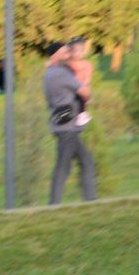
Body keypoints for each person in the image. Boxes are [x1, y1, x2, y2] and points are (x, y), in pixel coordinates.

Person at [43, 43, 96, 205]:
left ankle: (90, 200)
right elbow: (85, 93)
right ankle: (54, 204)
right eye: (64, 51)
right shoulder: (60, 73)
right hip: (67, 127)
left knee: (86, 161)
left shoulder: (51, 72)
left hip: (65, 125)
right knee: (63, 167)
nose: (68, 53)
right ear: (54, 55)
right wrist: (86, 86)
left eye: (68, 50)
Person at [67, 35, 94, 129]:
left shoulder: (87, 64)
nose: (79, 53)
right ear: (71, 52)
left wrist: (84, 86)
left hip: (81, 88)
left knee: (81, 98)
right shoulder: (69, 63)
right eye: (76, 51)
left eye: (81, 51)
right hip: (70, 90)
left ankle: (81, 114)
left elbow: (88, 78)